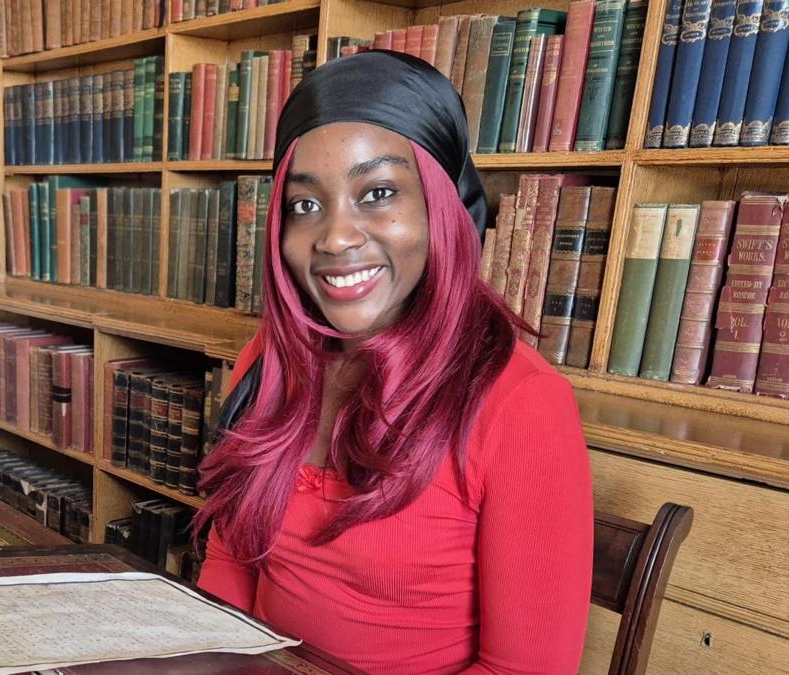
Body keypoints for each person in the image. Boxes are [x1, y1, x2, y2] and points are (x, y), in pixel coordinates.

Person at [194, 50, 593, 674]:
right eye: (305, 205)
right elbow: (231, 565)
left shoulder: (523, 403)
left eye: (377, 193)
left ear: (442, 207)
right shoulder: (271, 362)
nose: (334, 238)